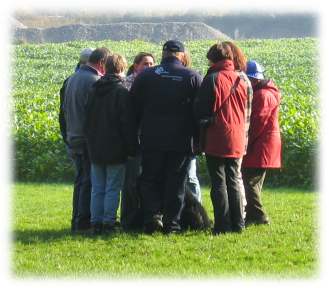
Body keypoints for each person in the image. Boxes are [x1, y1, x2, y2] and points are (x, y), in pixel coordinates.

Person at [130, 40, 202, 234]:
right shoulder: (192, 76)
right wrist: (198, 139)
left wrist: (136, 134)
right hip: (181, 140)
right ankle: (173, 224)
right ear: (181, 55)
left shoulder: (145, 75)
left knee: (149, 179)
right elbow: (200, 111)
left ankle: (152, 217)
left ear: (163, 54)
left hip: (151, 138)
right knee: (176, 182)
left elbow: (133, 108)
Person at [194, 42, 251, 234]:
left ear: (212, 58)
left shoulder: (212, 78)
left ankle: (222, 224)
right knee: (234, 180)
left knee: (218, 182)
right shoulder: (240, 79)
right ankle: (238, 223)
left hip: (217, 135)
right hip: (236, 135)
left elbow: (201, 108)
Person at [85, 54, 137, 235]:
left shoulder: (93, 89)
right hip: (116, 147)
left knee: (97, 187)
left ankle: (95, 221)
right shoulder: (122, 92)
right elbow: (127, 124)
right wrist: (132, 147)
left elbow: (87, 120)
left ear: (105, 67)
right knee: (113, 187)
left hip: (95, 146)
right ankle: (108, 222)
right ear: (122, 69)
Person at [61, 47, 111, 233]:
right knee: (89, 181)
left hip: (73, 135)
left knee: (81, 179)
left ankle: (76, 220)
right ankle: (83, 221)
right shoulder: (94, 81)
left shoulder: (72, 78)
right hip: (86, 138)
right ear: (101, 63)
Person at [242, 60, 282, 225]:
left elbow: (257, 123)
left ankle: (259, 216)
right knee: (253, 182)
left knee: (249, 181)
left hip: (261, 145)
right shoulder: (266, 92)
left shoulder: (262, 95)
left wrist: (245, 142)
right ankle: (253, 215)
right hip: (264, 145)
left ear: (253, 79)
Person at [120, 52, 155, 230]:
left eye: (151, 64)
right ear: (135, 66)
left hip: (150, 139)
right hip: (133, 140)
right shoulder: (127, 84)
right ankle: (129, 219)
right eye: (145, 64)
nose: (148, 67)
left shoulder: (154, 84)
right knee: (131, 182)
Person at [181, 50, 202, 203]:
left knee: (190, 176)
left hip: (188, 136)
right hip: (184, 135)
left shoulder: (193, 78)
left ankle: (196, 208)